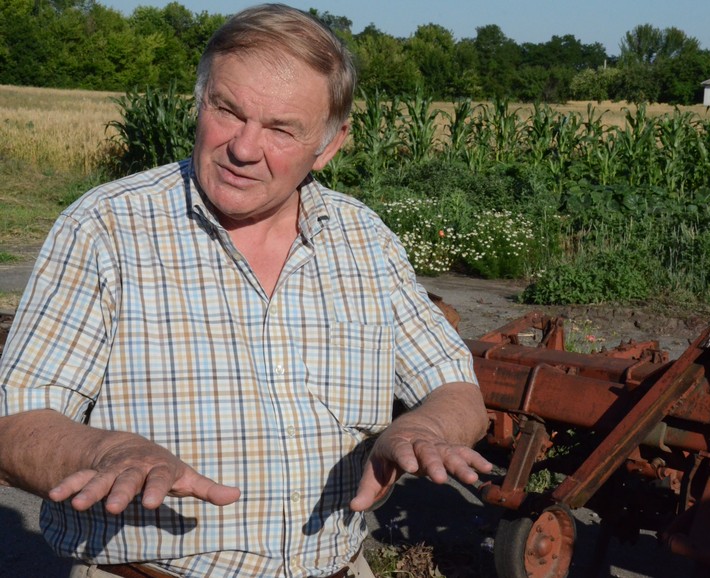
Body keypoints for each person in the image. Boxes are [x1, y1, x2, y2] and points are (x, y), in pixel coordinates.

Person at [0, 4, 492, 578]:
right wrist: (106, 452)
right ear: (200, 101)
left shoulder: (365, 241)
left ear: (328, 147)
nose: (243, 148)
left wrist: (423, 428)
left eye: (281, 129)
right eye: (228, 111)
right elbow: (17, 423)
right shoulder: (107, 229)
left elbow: (455, 386)